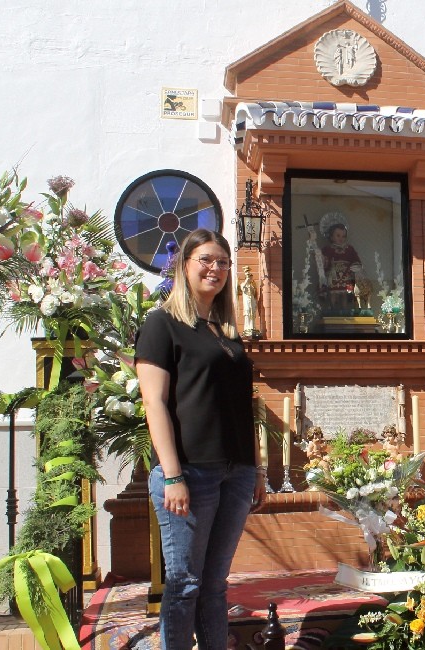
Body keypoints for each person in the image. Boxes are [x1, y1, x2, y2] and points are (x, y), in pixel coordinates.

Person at [136, 228, 265, 650]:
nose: (216, 269)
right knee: (185, 582)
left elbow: (244, 407)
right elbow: (154, 402)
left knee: (215, 584)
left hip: (236, 470)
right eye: (206, 260)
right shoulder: (162, 324)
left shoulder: (226, 332)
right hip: (190, 471)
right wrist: (172, 475)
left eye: (223, 262)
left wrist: (256, 468)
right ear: (184, 265)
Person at [319, 218, 362, 312]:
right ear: (331, 236)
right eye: (338, 235)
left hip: (346, 275)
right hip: (333, 275)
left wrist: (356, 266)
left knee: (345, 294)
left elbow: (355, 259)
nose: (341, 238)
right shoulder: (327, 249)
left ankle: (344, 311)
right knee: (333, 293)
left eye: (343, 236)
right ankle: (332, 310)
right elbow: (322, 263)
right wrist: (322, 260)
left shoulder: (349, 249)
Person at [237, 266, 259, 338]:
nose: (250, 279)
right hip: (246, 301)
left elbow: (255, 293)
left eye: (250, 277)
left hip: (252, 300)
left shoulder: (252, 285)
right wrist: (247, 279)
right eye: (249, 277)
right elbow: (242, 288)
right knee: (247, 312)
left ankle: (252, 327)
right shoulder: (244, 284)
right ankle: (247, 328)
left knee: (252, 313)